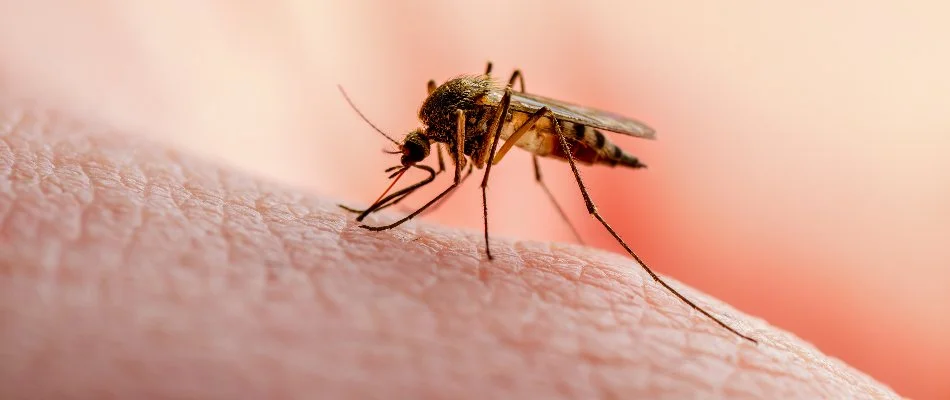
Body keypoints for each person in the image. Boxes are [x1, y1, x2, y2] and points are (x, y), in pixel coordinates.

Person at [0, 99, 900, 398]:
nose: (416, 157)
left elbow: (458, 164)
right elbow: (435, 164)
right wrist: (390, 202)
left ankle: (602, 223)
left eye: (414, 152)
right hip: (504, 118)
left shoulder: (463, 121)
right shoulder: (438, 126)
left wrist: (435, 205)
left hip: (543, 125)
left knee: (536, 149)